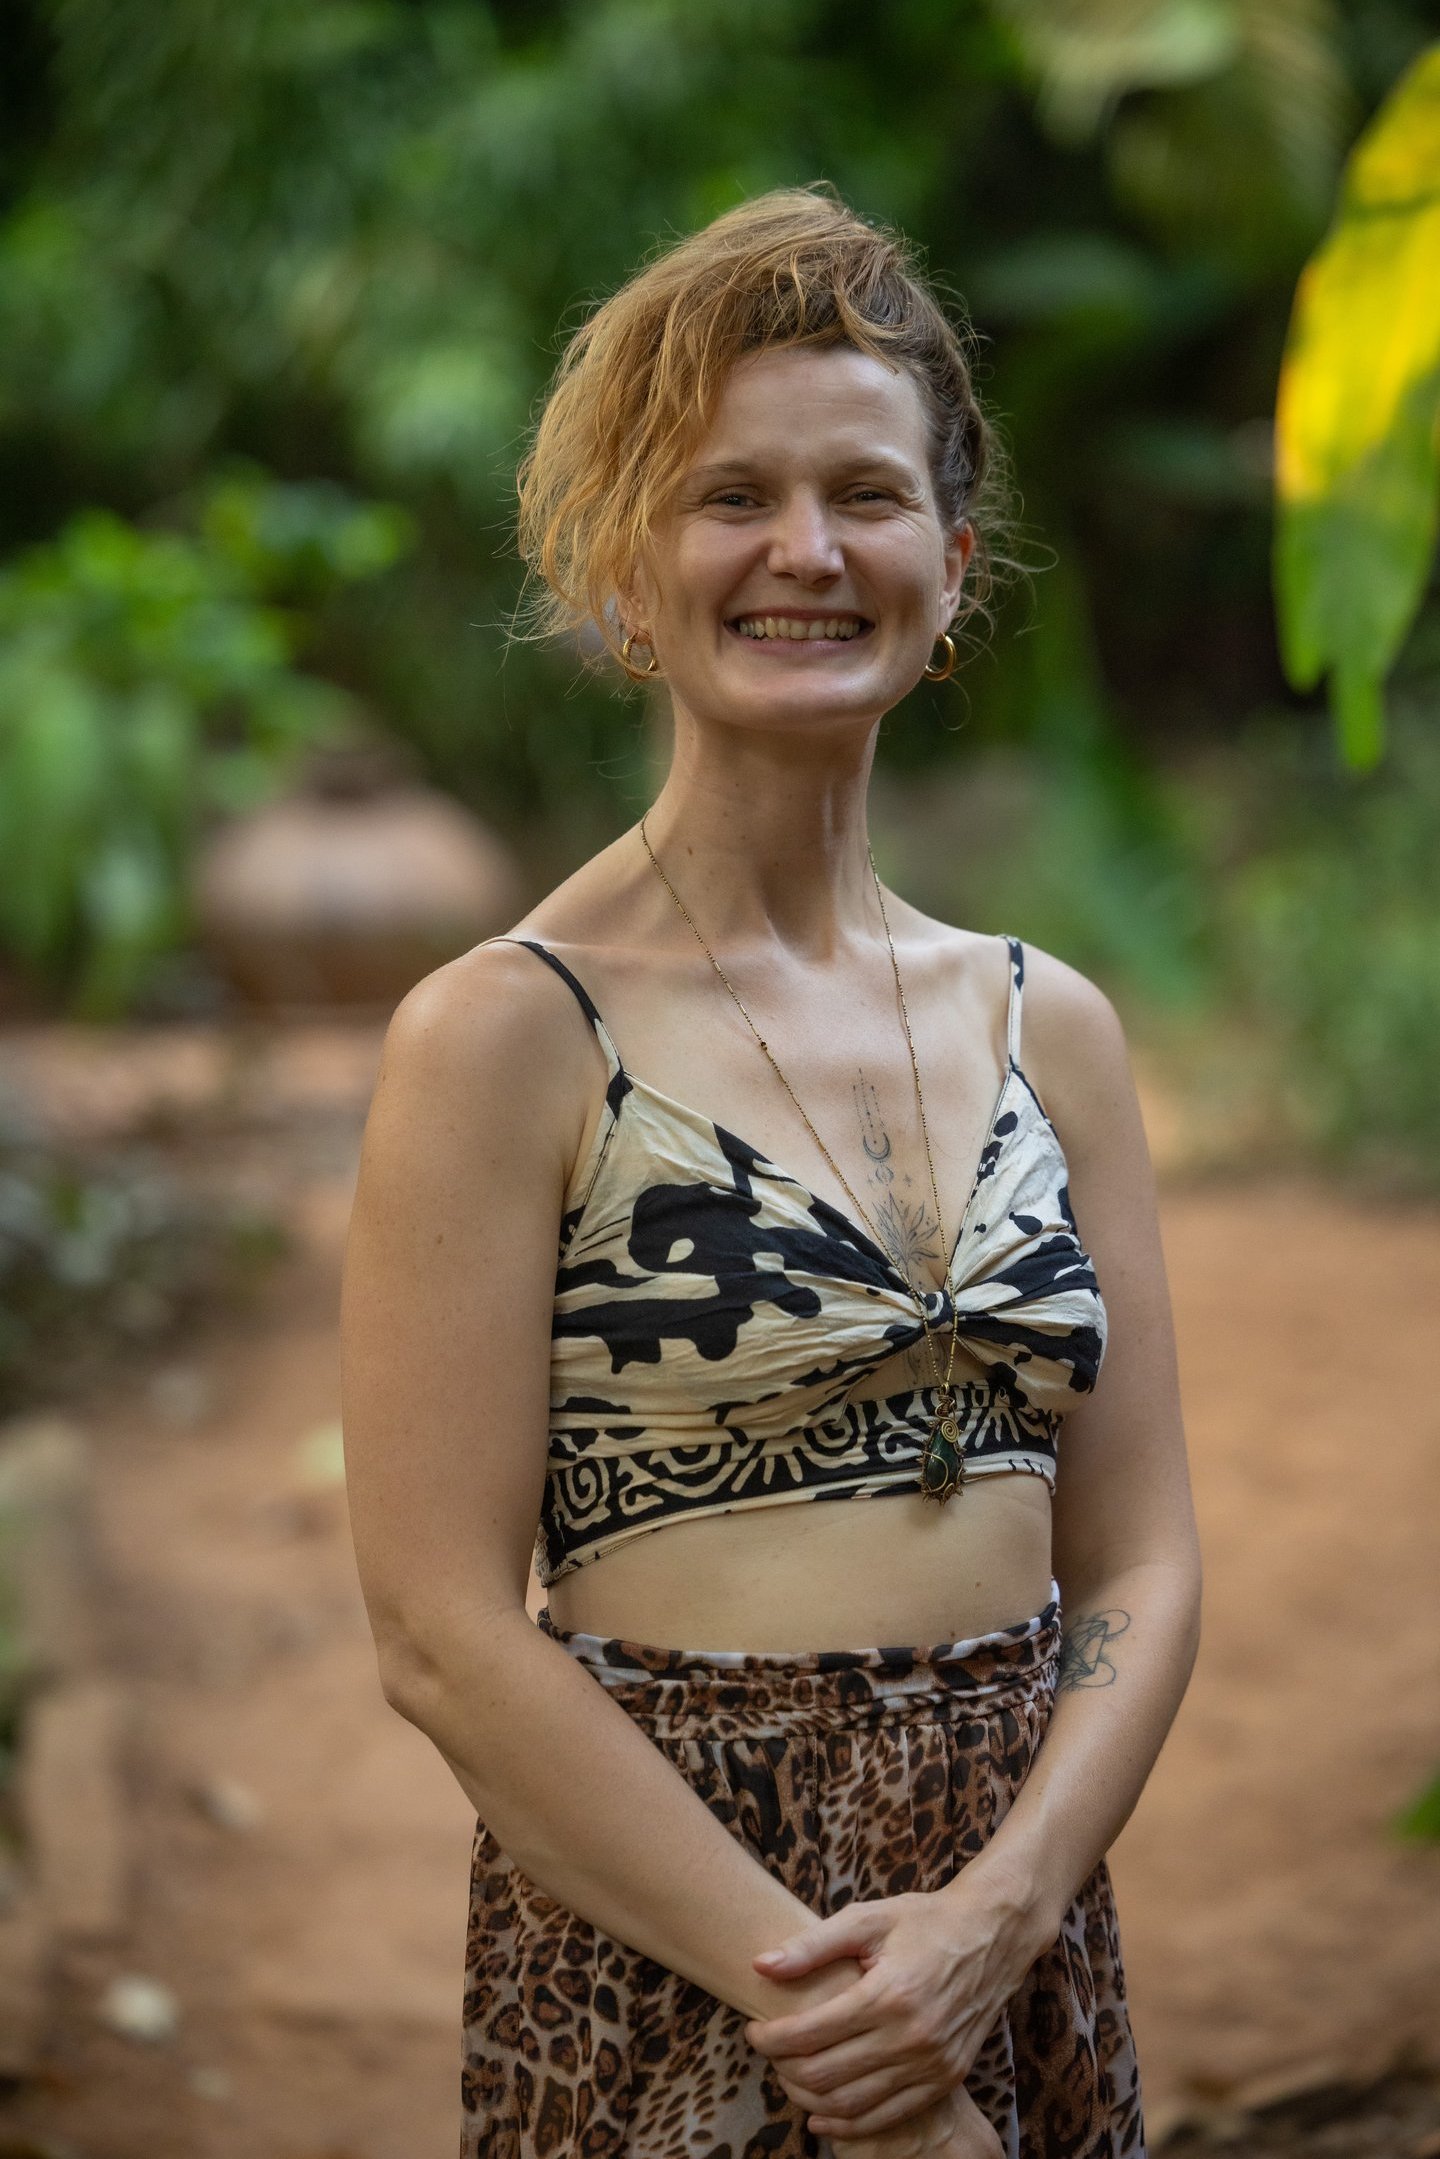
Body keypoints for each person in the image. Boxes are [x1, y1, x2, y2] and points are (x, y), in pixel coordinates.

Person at [340, 186, 1201, 2159]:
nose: (807, 551)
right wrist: (849, 2033)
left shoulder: (1047, 1024)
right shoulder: (504, 1036)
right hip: (676, 1946)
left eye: (866, 496)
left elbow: (1142, 1561)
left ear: (952, 567)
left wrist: (998, 1923)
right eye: (732, 496)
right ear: (624, 574)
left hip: (1014, 1922)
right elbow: (443, 1634)